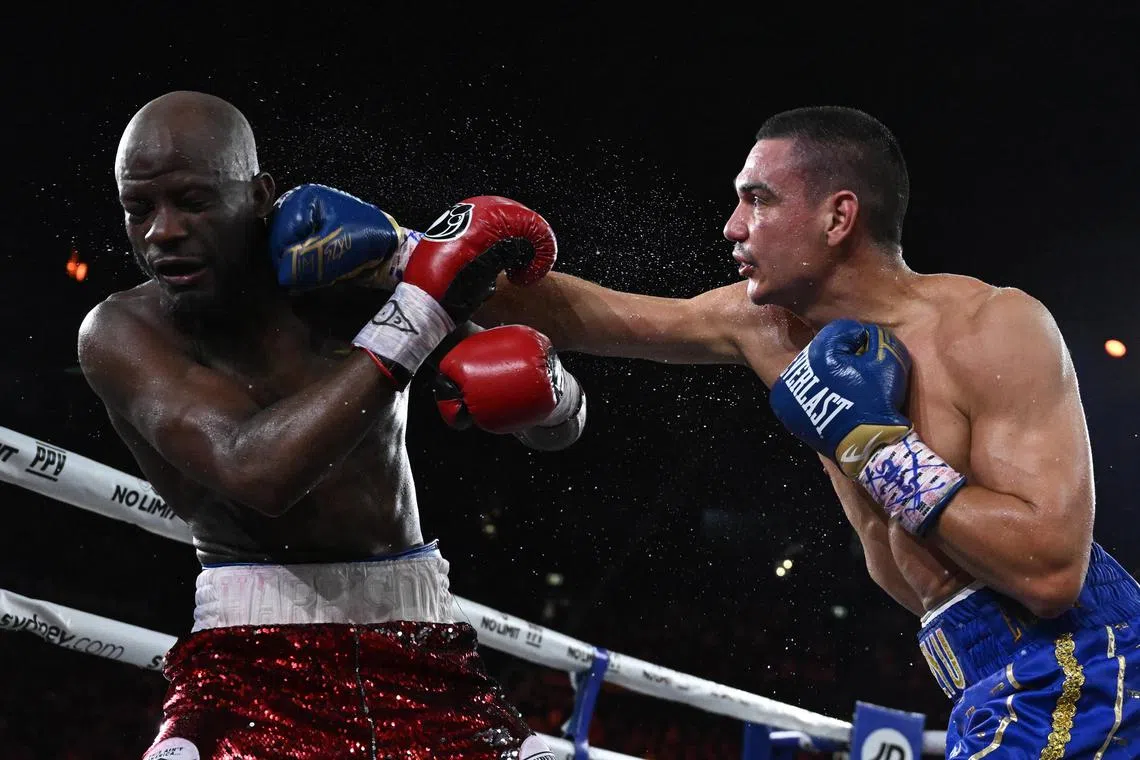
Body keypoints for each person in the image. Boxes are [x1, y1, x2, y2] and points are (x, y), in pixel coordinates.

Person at [296, 105, 1140, 757]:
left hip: (1078, 664)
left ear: (838, 217)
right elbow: (602, 317)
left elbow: (1050, 570)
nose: (732, 227)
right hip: (984, 676)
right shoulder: (763, 326)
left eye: (757, 200)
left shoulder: (992, 328)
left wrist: (872, 444)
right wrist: (402, 251)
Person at [77, 90, 583, 760]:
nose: (161, 231)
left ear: (260, 196)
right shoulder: (122, 332)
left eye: (193, 201)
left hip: (424, 646)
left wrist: (552, 395)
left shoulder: (351, 277)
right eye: (137, 209)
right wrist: (418, 313)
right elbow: (258, 472)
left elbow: (558, 427)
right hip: (252, 660)